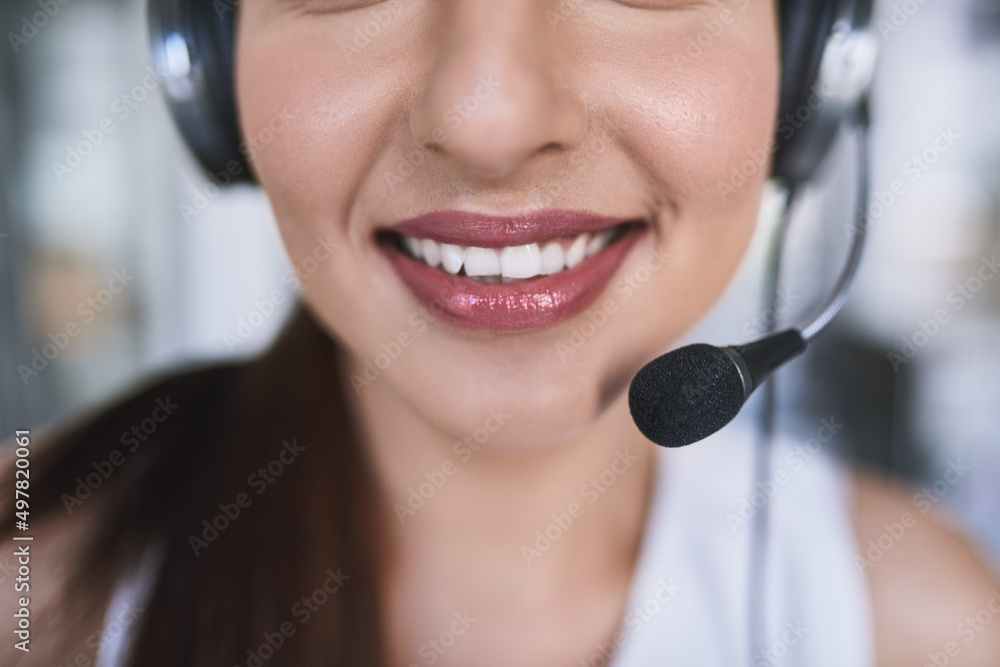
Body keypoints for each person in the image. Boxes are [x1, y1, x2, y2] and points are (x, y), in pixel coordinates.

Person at [3, 1, 1000, 665]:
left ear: (812, 62)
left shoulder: (916, 627)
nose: (487, 121)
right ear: (207, 67)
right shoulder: (33, 602)